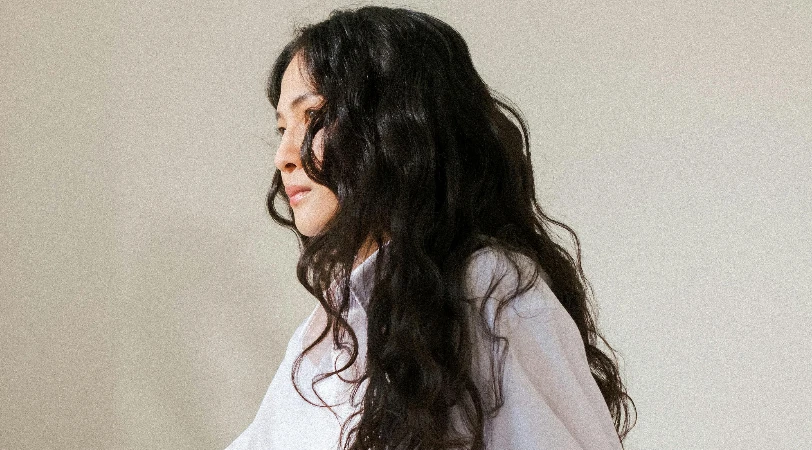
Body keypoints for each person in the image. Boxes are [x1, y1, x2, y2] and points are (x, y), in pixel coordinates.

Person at [228, 6, 635, 449]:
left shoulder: (490, 292)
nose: (283, 155)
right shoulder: (327, 333)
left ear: (396, 126)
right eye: (282, 127)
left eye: (314, 118)